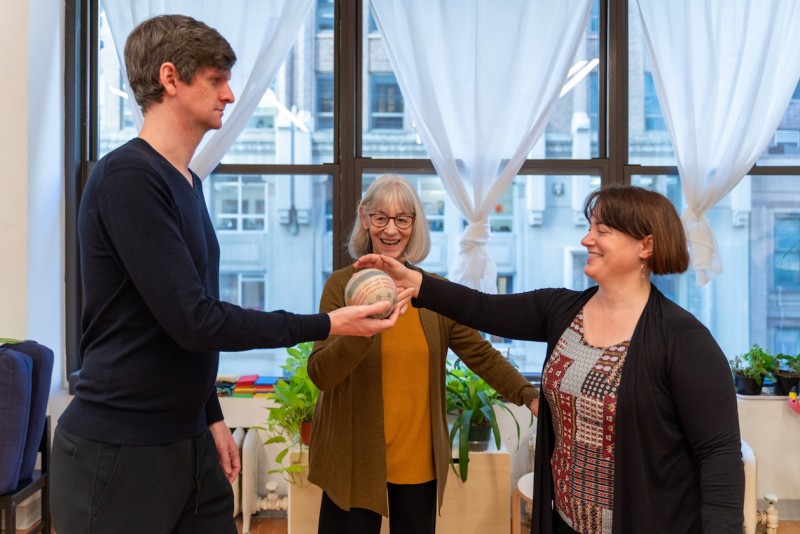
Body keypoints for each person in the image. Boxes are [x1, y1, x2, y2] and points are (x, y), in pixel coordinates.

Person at [51, 15, 408, 534]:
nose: (230, 94)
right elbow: (195, 320)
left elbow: (184, 321)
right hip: (120, 446)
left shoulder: (187, 182)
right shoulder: (128, 177)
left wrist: (211, 416)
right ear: (171, 78)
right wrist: (329, 324)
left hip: (186, 436)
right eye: (216, 80)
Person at [357, 185, 744, 534]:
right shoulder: (561, 309)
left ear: (645, 246)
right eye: (590, 227)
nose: (587, 239)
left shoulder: (684, 339)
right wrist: (418, 282)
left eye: (602, 231)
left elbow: (719, 456)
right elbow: (482, 307)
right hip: (565, 520)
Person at [306, 174, 539, 534]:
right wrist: (363, 331)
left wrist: (529, 395)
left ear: (415, 226)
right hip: (354, 457)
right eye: (380, 217)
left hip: (417, 462)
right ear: (364, 218)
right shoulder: (341, 285)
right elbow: (321, 373)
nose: (391, 230)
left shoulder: (433, 293)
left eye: (403, 219)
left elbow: (481, 354)